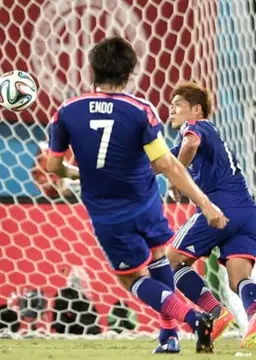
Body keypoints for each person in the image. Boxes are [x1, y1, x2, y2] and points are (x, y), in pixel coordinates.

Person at [46, 36, 227, 354]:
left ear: (92, 69)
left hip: (109, 214)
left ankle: (193, 319)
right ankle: (168, 336)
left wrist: (73, 175)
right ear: (130, 72)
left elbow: (53, 165)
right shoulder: (141, 110)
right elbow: (165, 163)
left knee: (131, 280)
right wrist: (205, 203)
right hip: (146, 204)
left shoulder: (68, 111)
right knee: (159, 259)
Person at [165, 81, 256, 349]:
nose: (172, 110)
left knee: (167, 262)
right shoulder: (206, 138)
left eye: (178, 105)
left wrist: (176, 179)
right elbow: (159, 164)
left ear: (196, 110)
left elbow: (189, 146)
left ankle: (216, 312)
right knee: (238, 277)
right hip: (247, 213)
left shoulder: (196, 127)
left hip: (220, 207)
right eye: (170, 105)